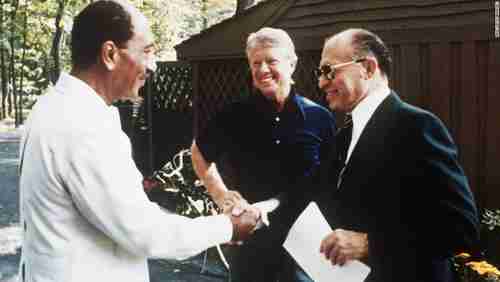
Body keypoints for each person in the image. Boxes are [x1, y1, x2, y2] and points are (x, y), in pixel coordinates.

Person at [17, 1, 258, 282]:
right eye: (147, 51)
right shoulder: (83, 125)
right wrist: (227, 227)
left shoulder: (50, 107)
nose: (153, 65)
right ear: (110, 54)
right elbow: (144, 231)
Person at [314, 28, 480, 282]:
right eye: (320, 73)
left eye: (329, 71)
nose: (321, 82)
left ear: (368, 68)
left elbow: (460, 228)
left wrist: (370, 244)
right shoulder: (344, 135)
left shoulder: (417, 126)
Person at [190, 27, 335, 281]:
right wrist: (221, 194)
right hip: (251, 243)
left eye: (271, 61)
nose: (262, 69)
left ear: (292, 64)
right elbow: (199, 152)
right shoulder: (234, 115)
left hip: (305, 244)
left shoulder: (319, 118)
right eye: (256, 63)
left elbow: (330, 179)